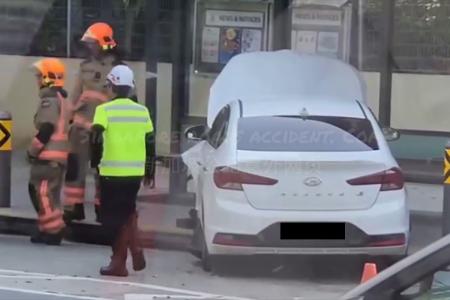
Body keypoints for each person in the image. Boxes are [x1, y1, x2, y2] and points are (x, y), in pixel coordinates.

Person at [90, 65, 155, 276]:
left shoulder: (104, 110)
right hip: (134, 174)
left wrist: (94, 164)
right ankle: (135, 250)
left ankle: (119, 262)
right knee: (127, 212)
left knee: (114, 220)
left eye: (108, 84)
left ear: (113, 86)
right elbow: (150, 143)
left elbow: (95, 139)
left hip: (110, 173)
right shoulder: (142, 111)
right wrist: (150, 171)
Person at [64, 22, 129, 222]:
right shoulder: (85, 67)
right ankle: (73, 207)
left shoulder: (120, 69)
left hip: (106, 131)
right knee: (75, 169)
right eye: (88, 43)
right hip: (81, 129)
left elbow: (126, 101)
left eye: (93, 43)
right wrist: (67, 122)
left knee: (104, 171)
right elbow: (74, 97)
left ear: (104, 43)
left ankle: (103, 209)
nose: (90, 47)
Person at [28, 58, 70, 245]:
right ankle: (46, 228)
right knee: (45, 194)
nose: (37, 80)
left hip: (48, 157)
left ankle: (54, 230)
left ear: (48, 78)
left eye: (39, 76)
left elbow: (46, 129)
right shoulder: (60, 98)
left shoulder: (50, 101)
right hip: (55, 158)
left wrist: (32, 151)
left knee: (42, 193)